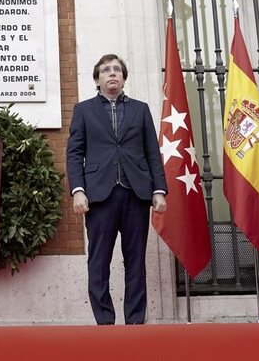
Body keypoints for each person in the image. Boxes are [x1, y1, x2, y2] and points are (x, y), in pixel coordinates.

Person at [66, 54, 167, 325]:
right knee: (98, 263)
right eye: (106, 70)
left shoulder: (140, 109)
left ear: (123, 77)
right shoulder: (84, 110)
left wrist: (159, 189)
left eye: (117, 70)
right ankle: (105, 322)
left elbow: (152, 153)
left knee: (135, 261)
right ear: (97, 79)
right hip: (99, 196)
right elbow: (75, 153)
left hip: (136, 194)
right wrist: (78, 190)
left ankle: (134, 321)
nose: (112, 74)